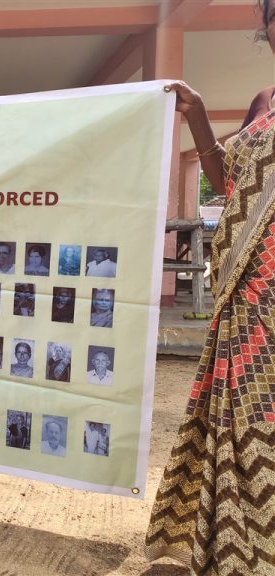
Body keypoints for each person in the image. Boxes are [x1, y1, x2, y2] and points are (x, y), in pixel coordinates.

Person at [146, 42, 275, 570]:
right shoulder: (265, 101)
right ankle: (238, 546)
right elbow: (227, 184)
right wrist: (197, 115)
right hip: (247, 288)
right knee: (243, 409)